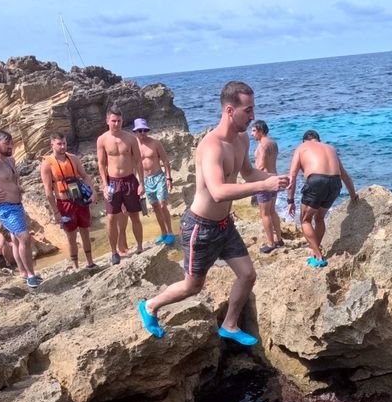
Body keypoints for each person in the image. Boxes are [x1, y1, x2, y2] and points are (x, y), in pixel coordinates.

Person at [138, 81, 288, 345]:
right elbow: (218, 191)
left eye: (253, 109)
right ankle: (150, 306)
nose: (253, 116)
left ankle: (229, 325)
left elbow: (247, 173)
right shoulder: (211, 146)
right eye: (248, 110)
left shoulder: (242, 139)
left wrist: (276, 178)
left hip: (224, 225)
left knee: (248, 275)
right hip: (200, 227)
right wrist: (264, 186)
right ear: (230, 110)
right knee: (192, 286)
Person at [0, 130, 41, 288]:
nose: (10, 146)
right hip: (4, 207)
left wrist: (17, 187)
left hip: (16, 205)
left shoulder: (10, 159)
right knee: (24, 237)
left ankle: (23, 272)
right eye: (6, 144)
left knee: (15, 239)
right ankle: (31, 276)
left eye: (11, 143)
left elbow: (11, 179)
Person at [286, 130, 358, 268]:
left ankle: (318, 257)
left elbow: (292, 176)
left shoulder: (302, 147)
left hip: (316, 181)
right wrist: (353, 195)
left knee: (305, 220)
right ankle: (316, 252)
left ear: (305, 141)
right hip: (335, 183)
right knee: (319, 218)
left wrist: (290, 201)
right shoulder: (330, 148)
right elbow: (344, 175)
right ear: (319, 140)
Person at [39, 131, 96, 270]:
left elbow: (85, 176)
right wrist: (56, 212)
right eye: (59, 144)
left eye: (64, 143)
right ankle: (75, 265)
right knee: (71, 236)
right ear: (52, 145)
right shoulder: (47, 164)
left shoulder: (73, 158)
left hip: (80, 200)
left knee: (85, 231)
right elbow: (48, 190)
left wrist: (93, 192)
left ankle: (90, 262)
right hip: (64, 203)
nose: (63, 146)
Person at [96, 106, 145, 264]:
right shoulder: (102, 139)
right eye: (113, 121)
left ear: (122, 121)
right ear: (107, 121)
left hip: (129, 180)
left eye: (119, 121)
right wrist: (105, 185)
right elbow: (101, 164)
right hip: (113, 182)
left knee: (134, 215)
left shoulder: (130, 138)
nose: (116, 124)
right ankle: (114, 252)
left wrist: (141, 183)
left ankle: (139, 246)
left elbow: (138, 161)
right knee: (111, 218)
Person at [133, 117, 175, 246]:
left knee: (162, 204)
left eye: (145, 130)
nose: (143, 133)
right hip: (145, 180)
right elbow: (133, 166)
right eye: (140, 130)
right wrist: (138, 184)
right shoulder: (133, 147)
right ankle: (163, 233)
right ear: (135, 131)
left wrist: (168, 178)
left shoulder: (155, 143)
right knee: (155, 207)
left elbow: (166, 161)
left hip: (158, 177)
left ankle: (170, 232)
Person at [250, 120, 284, 253]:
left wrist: (251, 179)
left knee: (265, 214)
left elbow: (260, 166)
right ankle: (279, 239)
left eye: (254, 131)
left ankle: (271, 243)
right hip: (274, 177)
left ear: (261, 131)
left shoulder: (262, 146)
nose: (252, 134)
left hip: (264, 181)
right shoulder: (273, 143)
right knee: (272, 210)